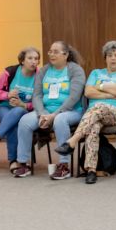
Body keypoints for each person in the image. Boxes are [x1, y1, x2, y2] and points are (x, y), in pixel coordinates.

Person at [54, 40, 116, 184]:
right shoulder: (96, 73)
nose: (113, 58)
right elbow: (88, 92)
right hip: (94, 115)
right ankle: (91, 170)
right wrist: (110, 93)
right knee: (93, 127)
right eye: (109, 55)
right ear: (105, 58)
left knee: (97, 108)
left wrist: (100, 86)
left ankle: (73, 141)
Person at [12, 40, 84, 179]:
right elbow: (37, 95)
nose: (51, 54)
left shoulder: (75, 70)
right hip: (45, 111)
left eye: (56, 52)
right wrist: (42, 114)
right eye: (50, 51)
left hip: (70, 111)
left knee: (60, 120)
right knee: (25, 121)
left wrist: (54, 115)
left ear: (66, 55)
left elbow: (74, 97)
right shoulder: (44, 70)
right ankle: (23, 163)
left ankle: (64, 165)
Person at [0, 47, 39, 172]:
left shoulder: (40, 76)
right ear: (22, 61)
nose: (33, 62)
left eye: (36, 59)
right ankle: (14, 160)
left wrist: (23, 104)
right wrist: (7, 95)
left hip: (23, 109)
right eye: (30, 58)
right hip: (3, 106)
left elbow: (40, 101)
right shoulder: (10, 71)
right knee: (14, 124)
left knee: (17, 112)